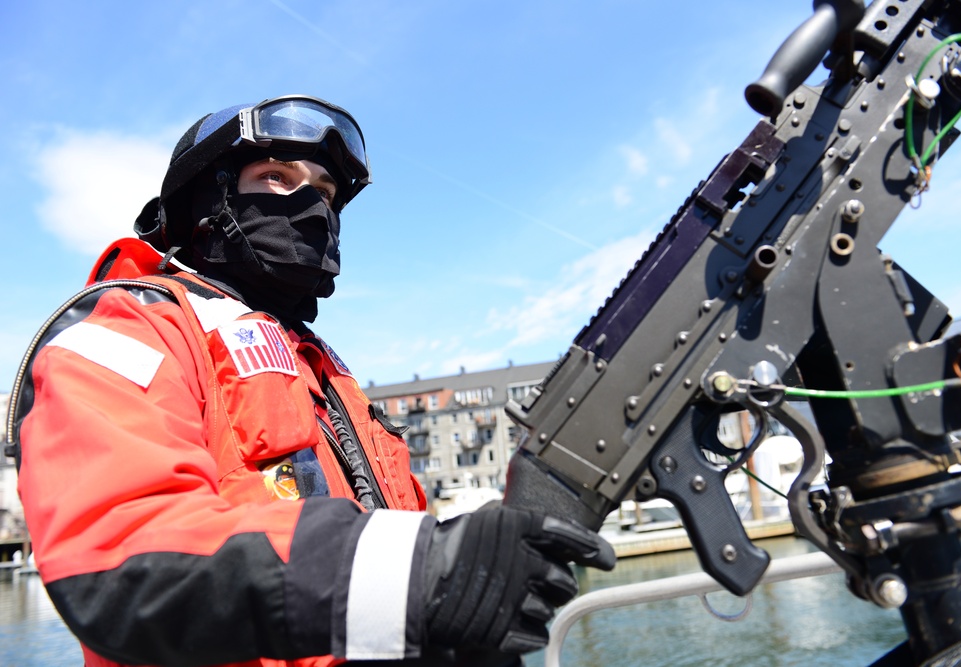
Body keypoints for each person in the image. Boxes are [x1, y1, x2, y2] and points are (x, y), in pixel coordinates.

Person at [9, 95, 615, 667]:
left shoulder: (325, 370)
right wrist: (423, 575)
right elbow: (122, 554)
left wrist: (464, 581)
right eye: (277, 177)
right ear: (207, 199)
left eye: (325, 191)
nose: (313, 205)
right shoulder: (130, 327)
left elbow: (387, 528)